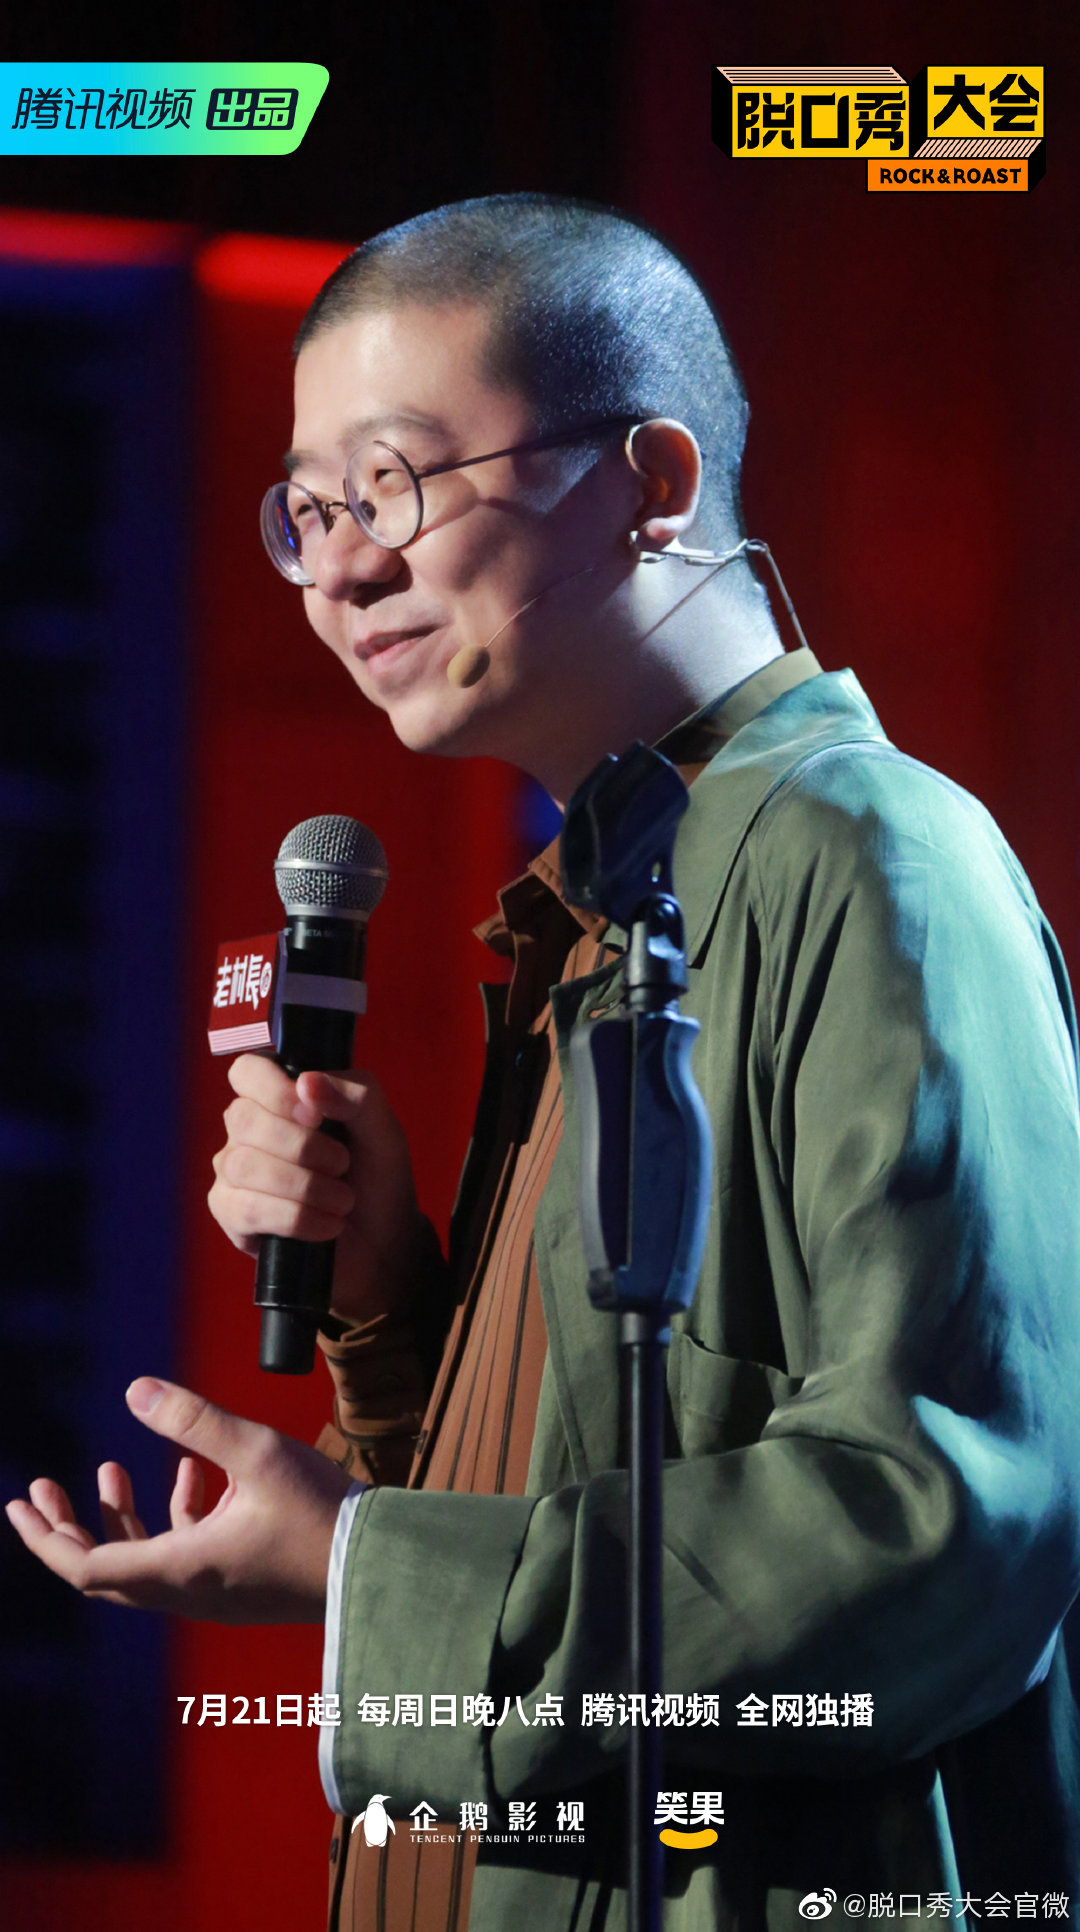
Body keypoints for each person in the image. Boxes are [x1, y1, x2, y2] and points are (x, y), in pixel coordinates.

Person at [8, 194, 1080, 1932]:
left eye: (394, 485)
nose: (340, 570)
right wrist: (389, 1308)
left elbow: (944, 1520)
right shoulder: (605, 905)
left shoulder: (869, 857)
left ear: (652, 481)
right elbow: (588, 1481)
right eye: (310, 511)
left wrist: (360, 1568)